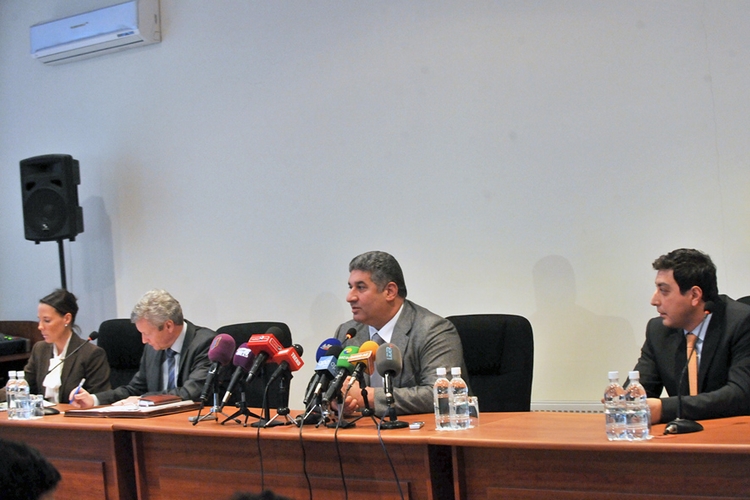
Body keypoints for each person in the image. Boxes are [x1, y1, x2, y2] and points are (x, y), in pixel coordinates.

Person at [332, 251, 468, 416]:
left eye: (360, 287)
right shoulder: (348, 333)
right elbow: (321, 389)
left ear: (390, 291)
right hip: (364, 429)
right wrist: (336, 401)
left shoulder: (433, 330)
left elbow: (441, 393)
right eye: (350, 287)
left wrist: (368, 397)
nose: (349, 297)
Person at [633, 248, 750, 424]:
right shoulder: (658, 330)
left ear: (694, 295)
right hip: (682, 436)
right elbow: (641, 388)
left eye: (663, 291)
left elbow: (740, 395)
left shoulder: (741, 323)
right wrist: (624, 398)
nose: (654, 301)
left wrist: (665, 409)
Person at [70, 289, 215, 408]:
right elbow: (134, 390)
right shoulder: (152, 348)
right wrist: (94, 399)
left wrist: (143, 399)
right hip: (155, 424)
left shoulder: (206, 344)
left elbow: (192, 393)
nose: (144, 340)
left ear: (168, 326)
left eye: (147, 333)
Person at [24, 289, 111, 403]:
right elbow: (26, 386)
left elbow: (100, 399)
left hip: (74, 414)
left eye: (47, 320)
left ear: (67, 319)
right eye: (39, 320)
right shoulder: (40, 349)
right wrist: (13, 387)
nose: (40, 327)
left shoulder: (91, 354)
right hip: (44, 414)